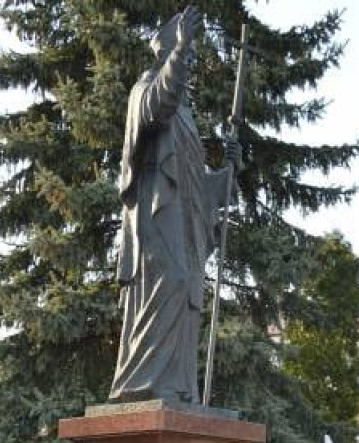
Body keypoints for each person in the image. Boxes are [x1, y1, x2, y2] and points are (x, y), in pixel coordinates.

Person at [109, 4, 241, 405]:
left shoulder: (186, 118)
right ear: (167, 52)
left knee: (186, 294)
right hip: (153, 215)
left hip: (181, 218)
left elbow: (195, 184)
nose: (191, 66)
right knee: (172, 283)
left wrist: (228, 171)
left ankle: (176, 388)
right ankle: (141, 382)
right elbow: (156, 105)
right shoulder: (145, 89)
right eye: (186, 57)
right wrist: (180, 50)